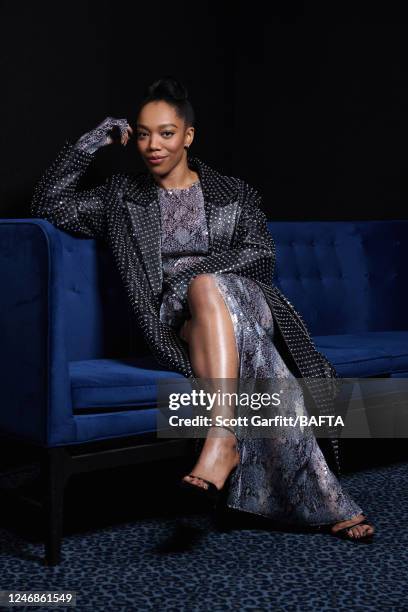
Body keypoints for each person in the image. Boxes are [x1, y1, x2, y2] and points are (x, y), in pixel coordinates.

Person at [30, 75, 375, 542]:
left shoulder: (233, 192)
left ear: (188, 136)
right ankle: (327, 501)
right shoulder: (119, 198)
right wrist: (94, 141)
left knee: (209, 286)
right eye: (144, 133)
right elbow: (50, 203)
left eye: (167, 133)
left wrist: (199, 277)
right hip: (181, 324)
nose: (153, 144)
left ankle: (220, 439)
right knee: (250, 349)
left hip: (248, 300)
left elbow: (262, 255)